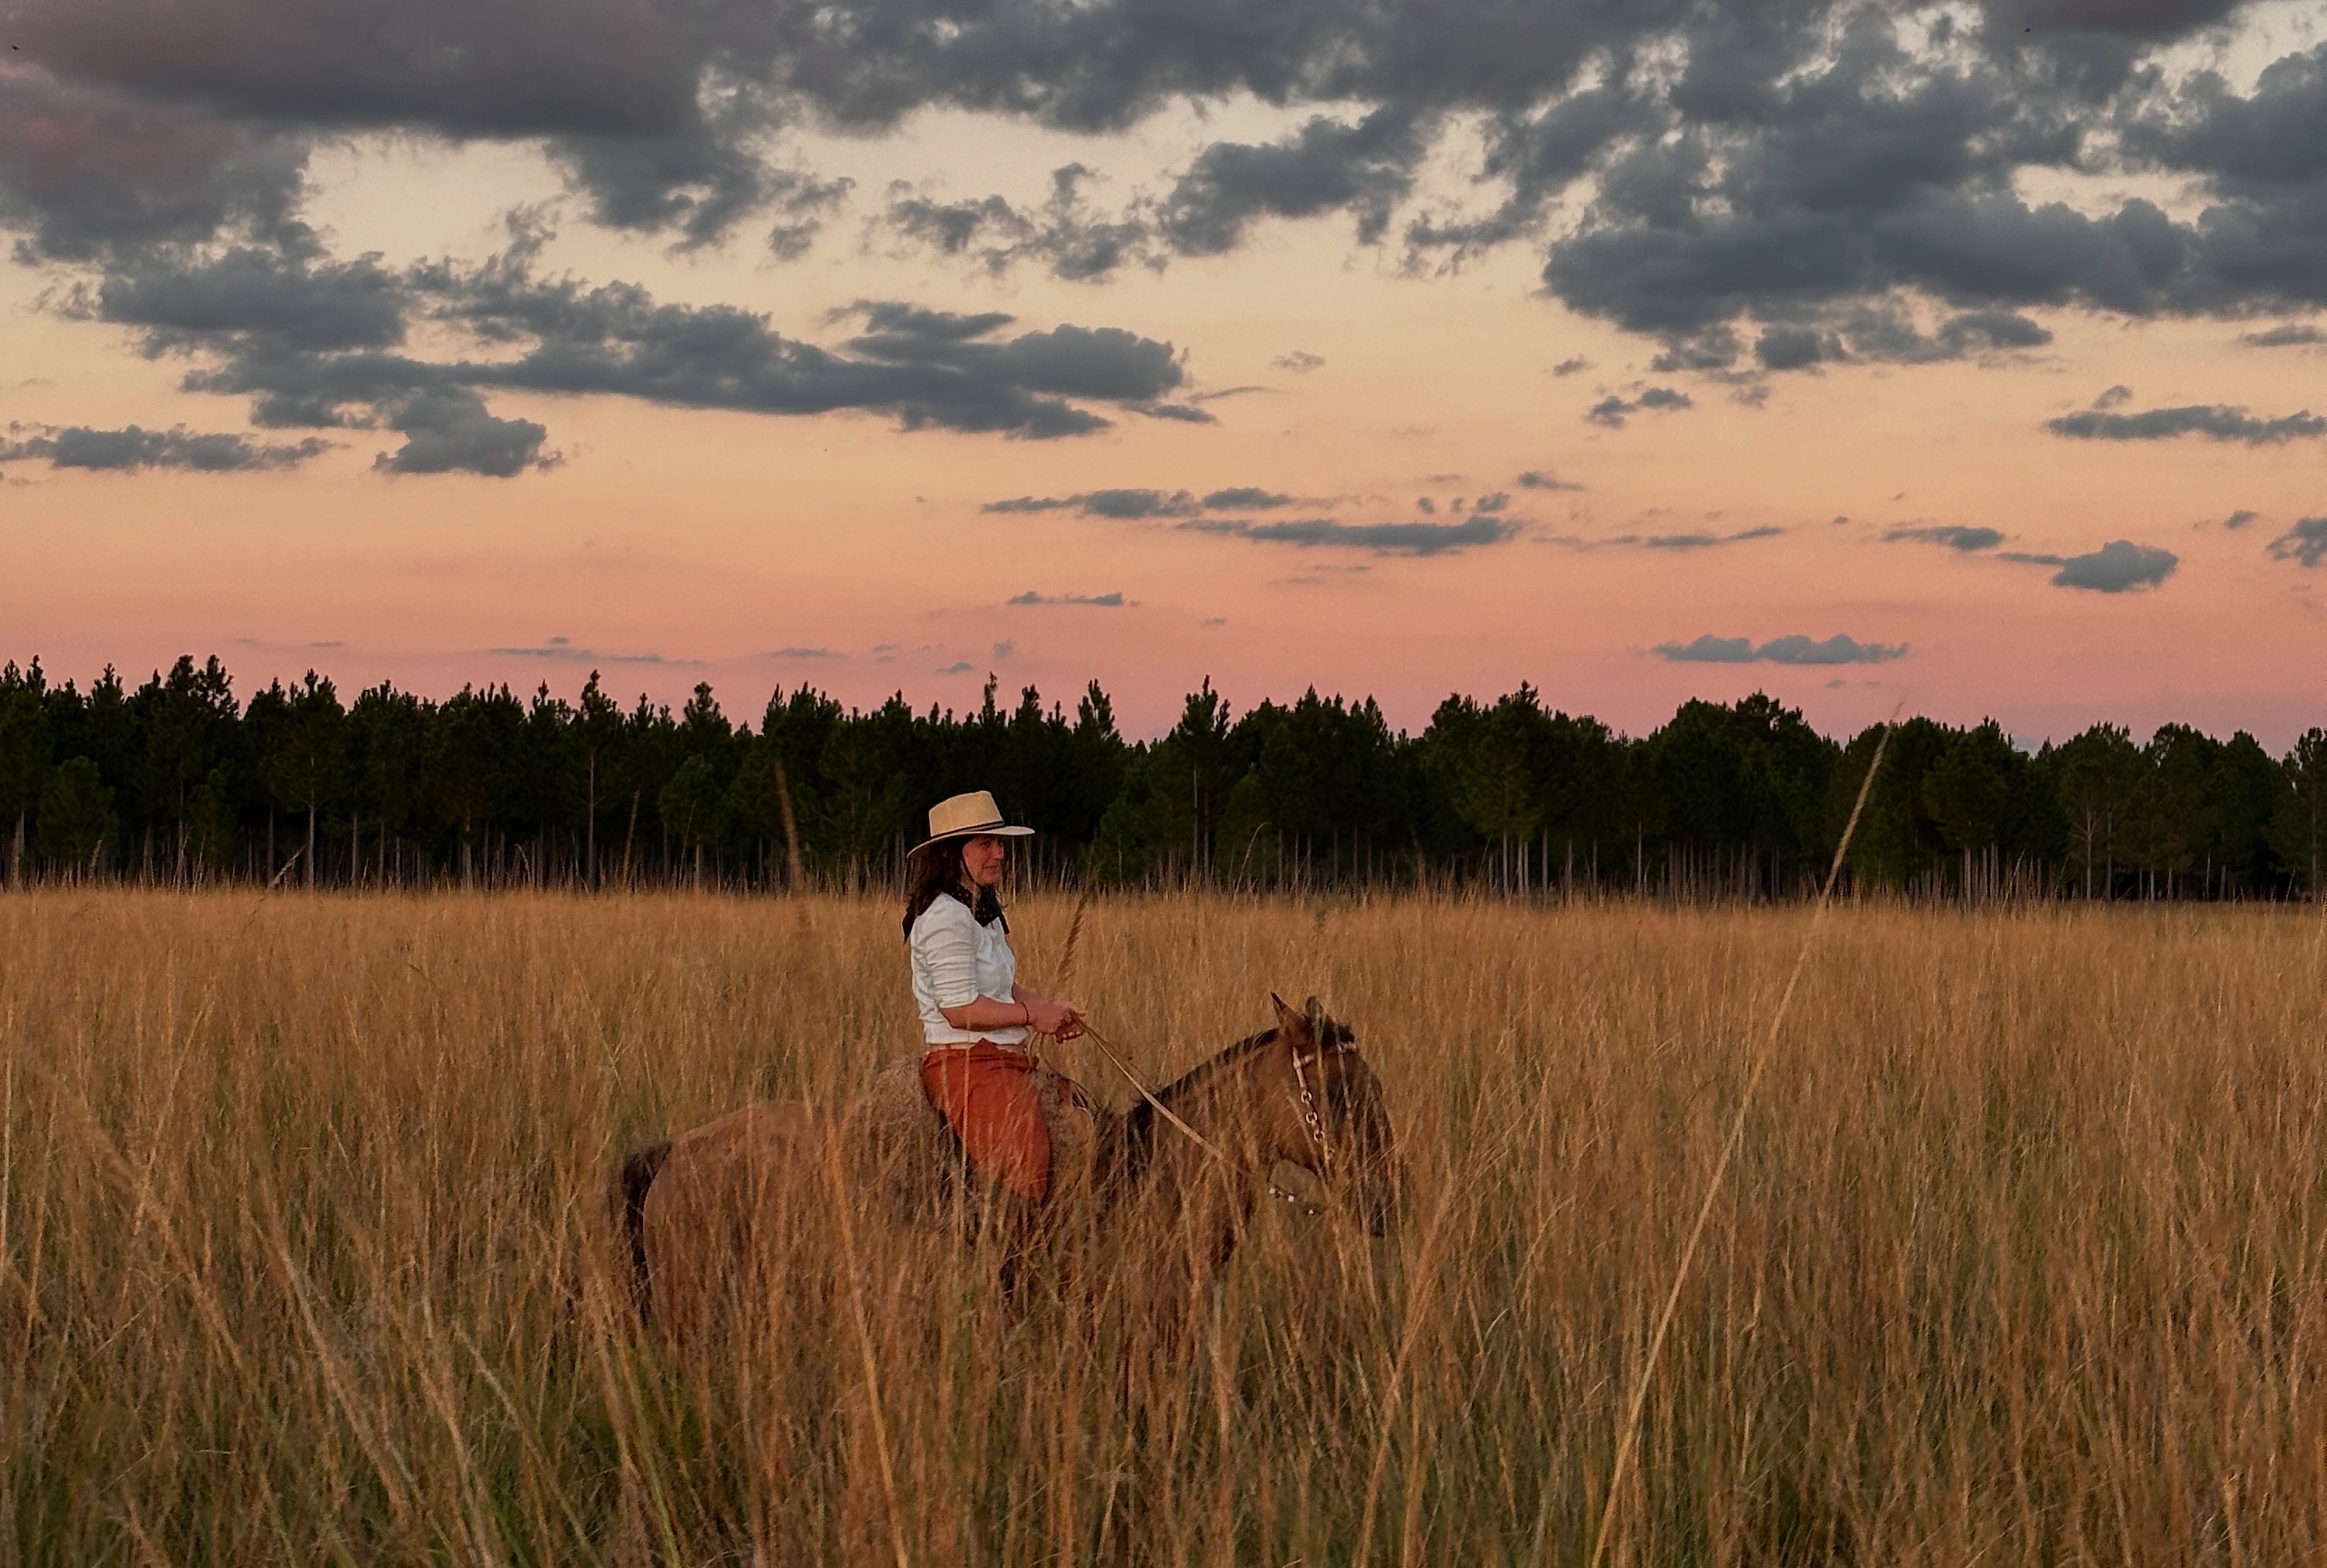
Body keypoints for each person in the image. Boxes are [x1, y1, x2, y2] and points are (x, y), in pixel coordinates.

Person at [905, 790, 1085, 1202]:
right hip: (967, 1065)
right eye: (985, 844)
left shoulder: (980, 909)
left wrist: (1050, 1010)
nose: (999, 854)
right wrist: (1031, 1017)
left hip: (1003, 1061)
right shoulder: (945, 918)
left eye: (1000, 843)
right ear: (951, 853)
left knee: (1085, 1122)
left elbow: (1003, 988)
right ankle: (1014, 1241)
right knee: (1026, 1160)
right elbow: (960, 1010)